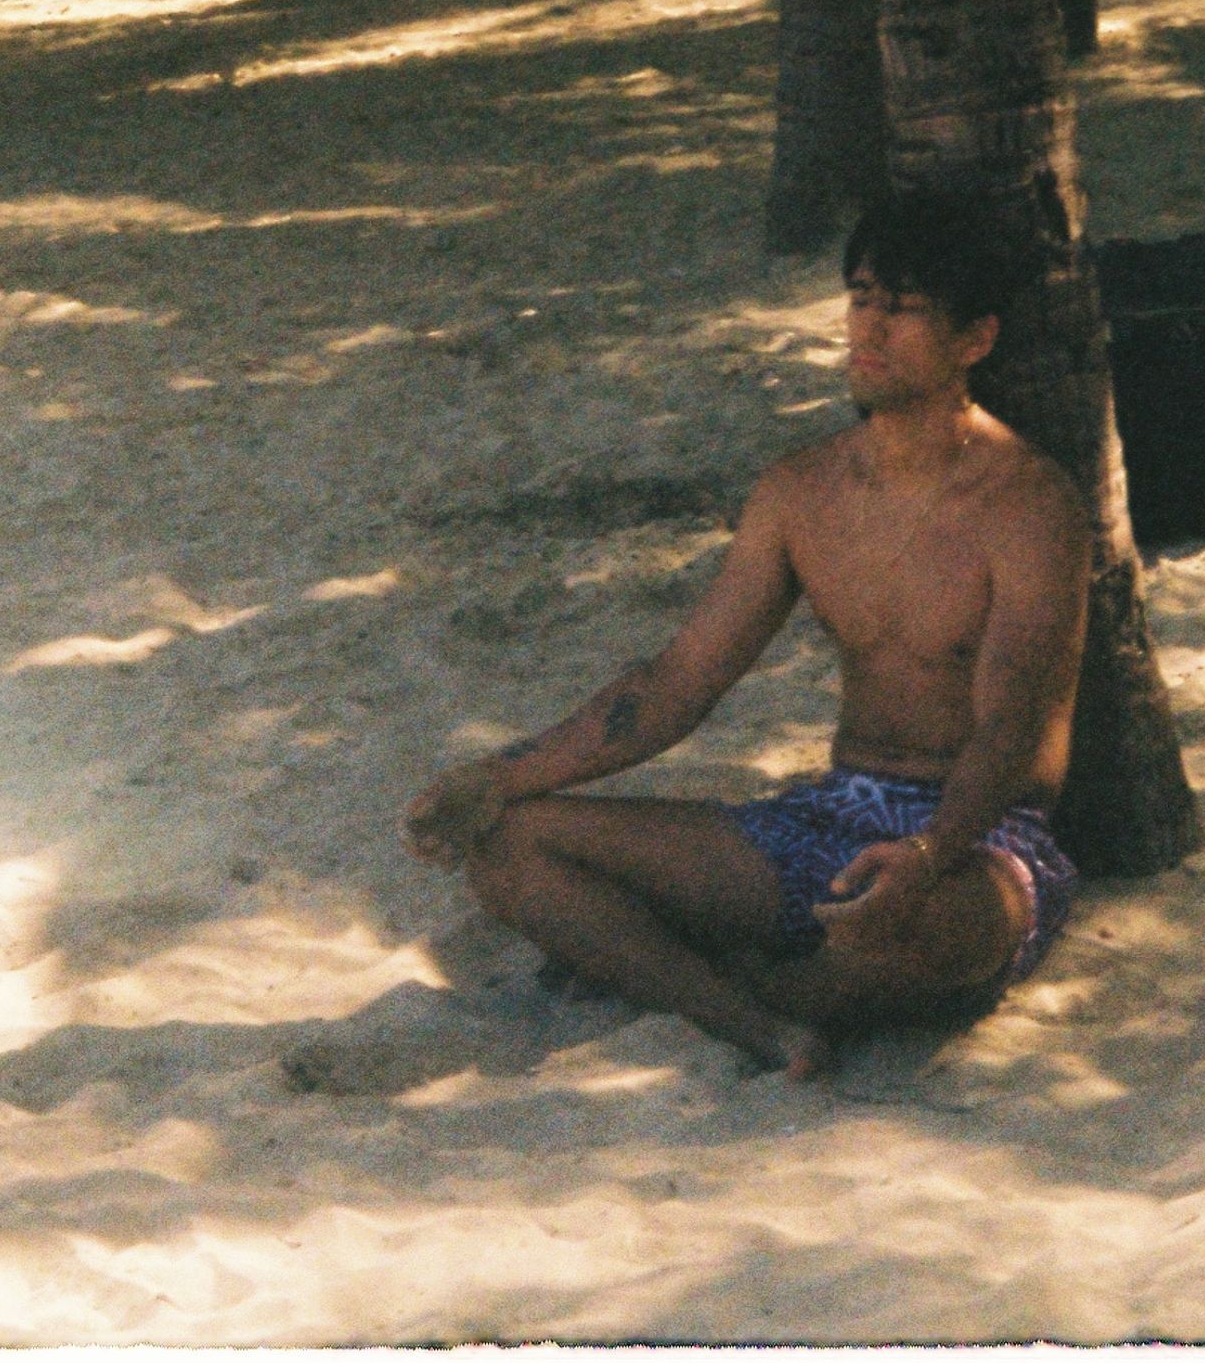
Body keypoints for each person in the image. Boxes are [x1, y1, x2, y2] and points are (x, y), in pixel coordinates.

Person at [405, 192, 1089, 1078]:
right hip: (832, 814)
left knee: (917, 931)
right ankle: (755, 1019)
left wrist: (924, 856)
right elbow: (680, 682)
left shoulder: (1028, 506)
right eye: (863, 299)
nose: (870, 330)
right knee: (509, 852)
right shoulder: (800, 492)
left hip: (980, 840)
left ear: (975, 341)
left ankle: (786, 989)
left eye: (906, 310)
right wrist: (495, 779)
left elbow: (1011, 733)